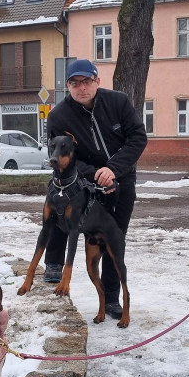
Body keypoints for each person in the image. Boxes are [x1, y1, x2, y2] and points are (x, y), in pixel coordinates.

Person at [43, 59, 148, 319]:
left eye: (87, 81)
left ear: (97, 81)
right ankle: (53, 264)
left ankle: (112, 299)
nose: (81, 88)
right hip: (84, 182)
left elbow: (138, 137)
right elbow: (63, 157)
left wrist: (113, 169)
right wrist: (95, 175)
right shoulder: (58, 116)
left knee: (115, 240)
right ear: (67, 86)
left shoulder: (118, 102)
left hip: (122, 178)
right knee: (60, 212)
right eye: (74, 83)